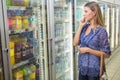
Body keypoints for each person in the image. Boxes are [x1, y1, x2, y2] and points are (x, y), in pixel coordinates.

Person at [73, 1, 111, 80]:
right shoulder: (84, 27)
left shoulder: (101, 31)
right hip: (82, 69)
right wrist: (80, 26)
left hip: (94, 72)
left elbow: (107, 54)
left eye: (86, 11)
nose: (83, 14)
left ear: (94, 12)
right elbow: (75, 43)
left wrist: (88, 50)